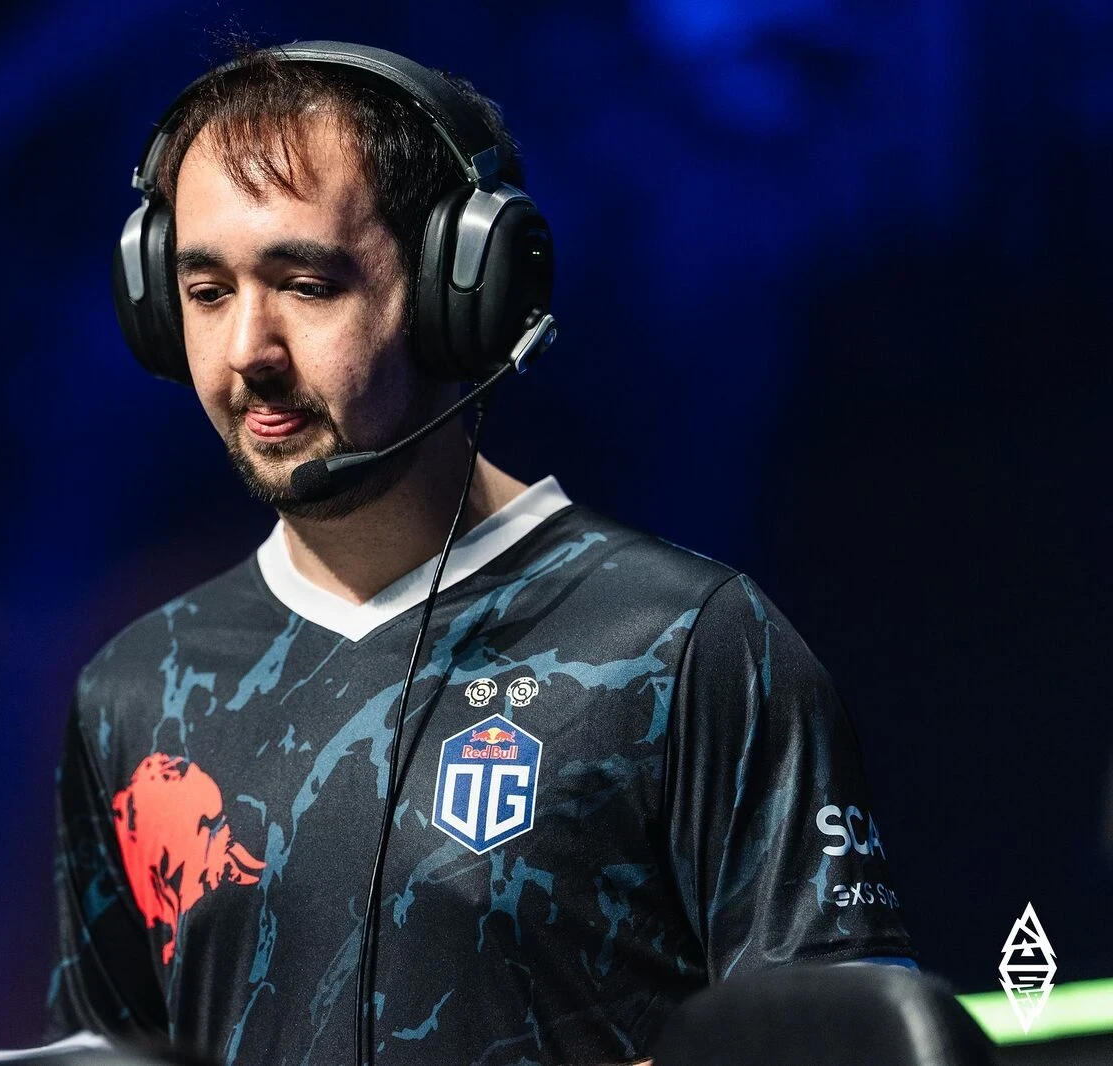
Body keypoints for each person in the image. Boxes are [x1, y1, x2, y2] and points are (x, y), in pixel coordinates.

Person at [47, 41, 914, 1066]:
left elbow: (838, 1049)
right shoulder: (135, 692)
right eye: (206, 292)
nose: (248, 350)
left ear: (458, 291)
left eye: (308, 285)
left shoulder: (687, 644)